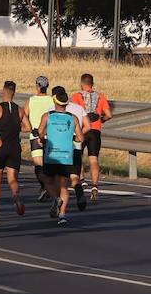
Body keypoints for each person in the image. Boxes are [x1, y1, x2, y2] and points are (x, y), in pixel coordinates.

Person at [37, 86, 83, 225]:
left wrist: (44, 139)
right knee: (64, 186)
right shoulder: (73, 118)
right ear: (66, 103)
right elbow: (80, 138)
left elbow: (40, 132)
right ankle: (62, 215)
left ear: (54, 101)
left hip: (51, 154)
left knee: (47, 180)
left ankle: (55, 198)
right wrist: (71, 139)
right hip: (66, 156)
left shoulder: (47, 116)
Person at [0, 81, 28, 220]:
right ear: (14, 93)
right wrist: (16, 128)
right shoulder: (20, 110)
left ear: (2, 92)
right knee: (12, 178)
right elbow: (27, 127)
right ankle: (16, 198)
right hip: (14, 148)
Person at [77, 73, 113, 203]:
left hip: (82, 129)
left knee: (78, 155)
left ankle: (81, 180)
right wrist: (101, 120)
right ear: (92, 83)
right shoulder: (101, 97)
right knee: (93, 159)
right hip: (95, 131)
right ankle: (95, 186)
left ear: (82, 83)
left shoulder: (76, 96)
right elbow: (109, 114)